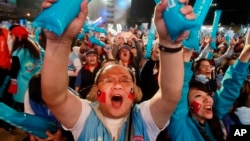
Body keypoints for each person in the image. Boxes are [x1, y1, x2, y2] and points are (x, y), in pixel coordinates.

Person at [40, 0, 195, 140]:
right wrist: (58, 43)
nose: (118, 84)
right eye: (108, 79)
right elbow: (55, 96)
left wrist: (170, 44)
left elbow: (170, 96)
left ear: (134, 90)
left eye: (125, 80)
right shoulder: (84, 116)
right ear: (97, 89)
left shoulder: (144, 118)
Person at [166, 31, 250, 141]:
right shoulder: (181, 129)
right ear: (186, 106)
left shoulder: (215, 118)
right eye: (198, 96)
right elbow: (178, 90)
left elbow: (230, 87)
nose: (207, 99)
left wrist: (246, 52)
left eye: (208, 94)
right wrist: (186, 53)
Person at [8, 25, 44, 112]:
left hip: (23, 86)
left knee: (23, 109)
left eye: (12, 36)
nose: (11, 38)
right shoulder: (36, 47)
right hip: (37, 83)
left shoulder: (17, 53)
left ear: (17, 38)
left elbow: (14, 72)